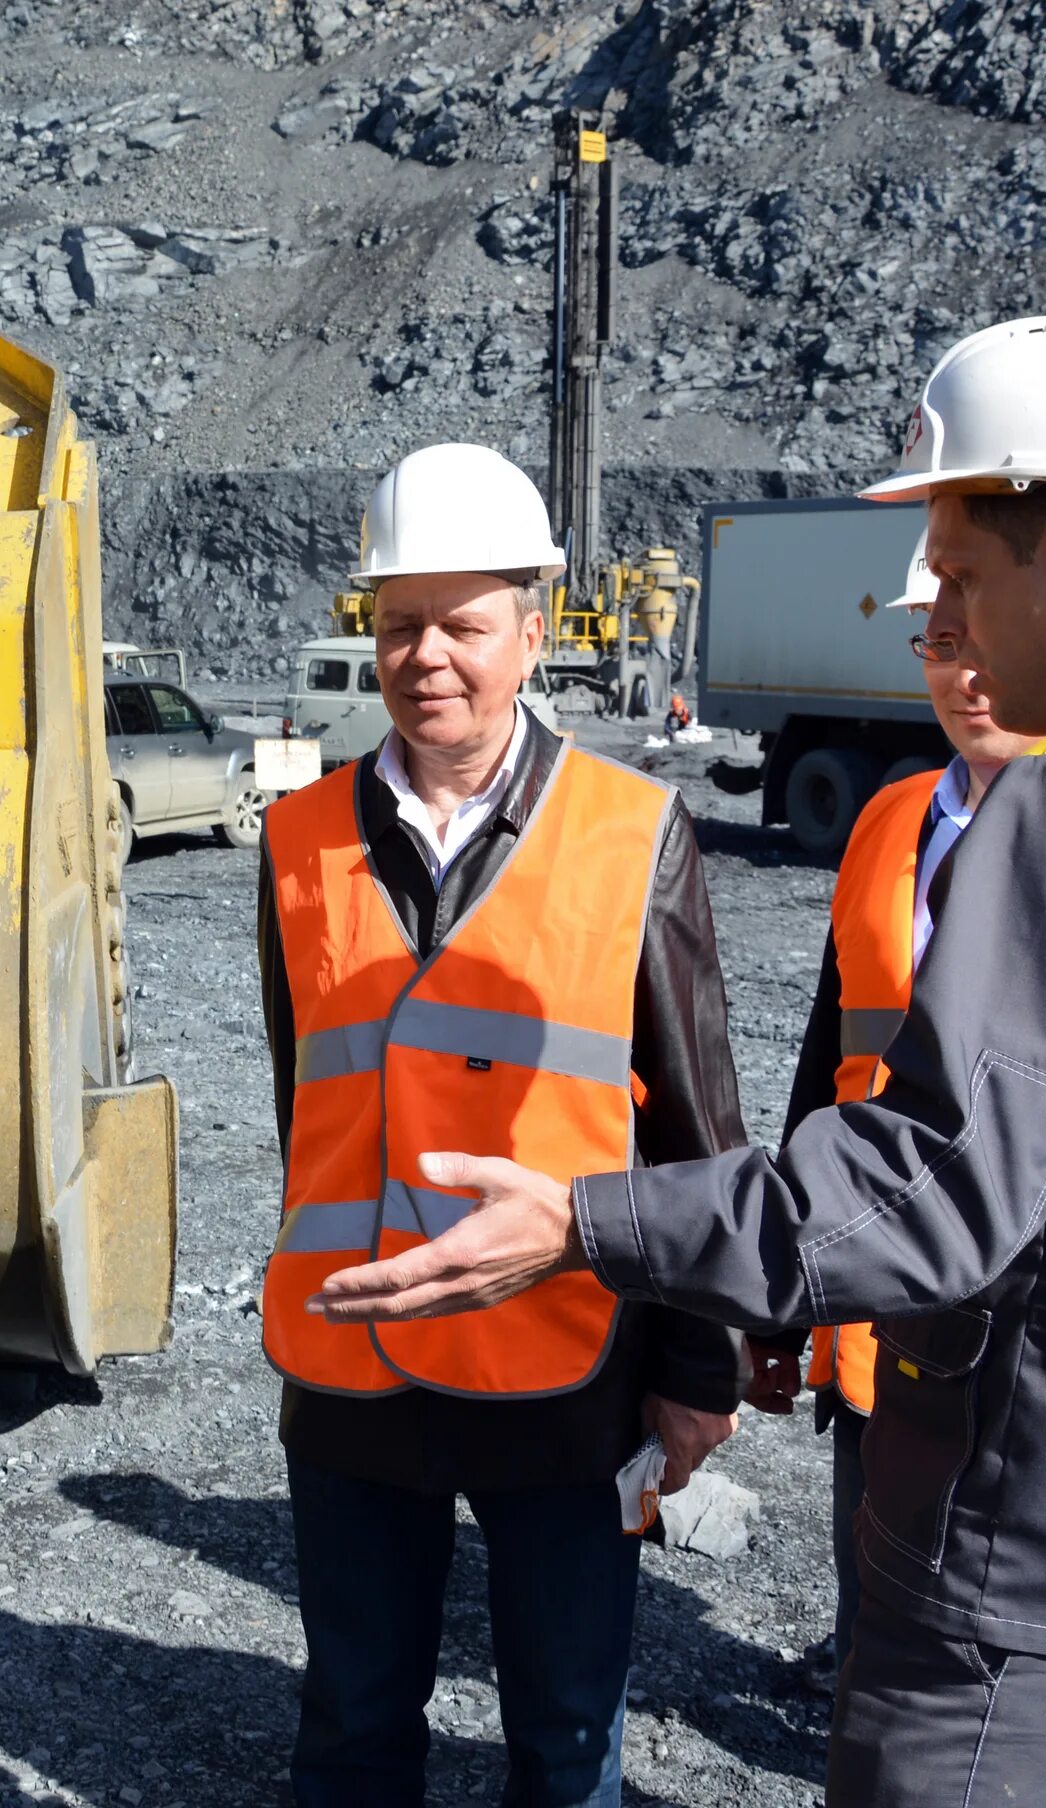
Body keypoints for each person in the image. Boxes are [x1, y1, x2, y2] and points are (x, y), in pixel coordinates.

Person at [306, 316, 1046, 1807]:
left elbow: (931, 1187)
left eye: (954, 573)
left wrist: (586, 1223)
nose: (939, 617)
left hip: (1038, 1563)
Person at [255, 442, 745, 1808]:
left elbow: (699, 1130)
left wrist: (698, 1369)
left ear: (533, 632)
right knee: (351, 1724)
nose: (429, 658)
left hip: (566, 1365)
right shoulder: (297, 839)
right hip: (352, 1364)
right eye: (400, 623)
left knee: (568, 1732)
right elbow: (307, 1095)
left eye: (464, 624)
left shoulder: (634, 832)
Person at [738, 531, 1032, 1690]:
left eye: (985, 642)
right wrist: (782, 1290)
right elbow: (829, 1064)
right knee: (878, 1603)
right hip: (877, 1303)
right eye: (939, 643)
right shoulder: (889, 819)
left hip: (1026, 1323)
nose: (965, 673)